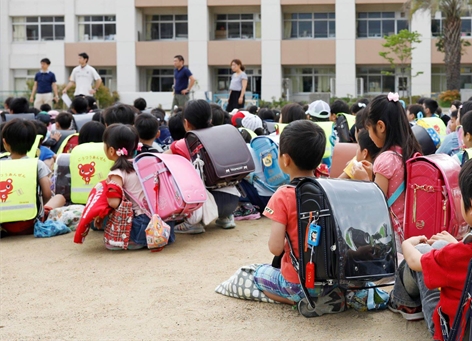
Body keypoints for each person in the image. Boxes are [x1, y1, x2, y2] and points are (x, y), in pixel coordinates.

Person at [391, 150, 472, 339]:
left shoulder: (459, 255)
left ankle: (402, 301)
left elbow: (416, 261)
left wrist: (408, 244)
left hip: (453, 332)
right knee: (441, 244)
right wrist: (453, 243)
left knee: (423, 250)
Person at [253, 120, 327, 304]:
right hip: (330, 279)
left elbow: (275, 248)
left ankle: (296, 300)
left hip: (297, 282)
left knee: (256, 274)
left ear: (285, 160)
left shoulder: (283, 195)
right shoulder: (329, 187)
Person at [352, 93, 422, 251]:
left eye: (369, 129)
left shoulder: (385, 159)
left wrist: (363, 180)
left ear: (381, 126)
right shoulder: (410, 151)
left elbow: (376, 207)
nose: (369, 135)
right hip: (413, 231)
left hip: (394, 236)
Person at [100, 124, 175, 250]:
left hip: (141, 226)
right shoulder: (144, 164)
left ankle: (136, 241)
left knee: (102, 219)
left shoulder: (117, 173)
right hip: (165, 223)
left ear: (111, 150)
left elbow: (113, 203)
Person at [169, 100, 238, 233]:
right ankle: (226, 218)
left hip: (205, 207)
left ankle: (194, 223)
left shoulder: (184, 144)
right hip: (232, 201)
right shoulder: (223, 136)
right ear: (210, 119)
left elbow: (162, 159)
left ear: (186, 123)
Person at [0, 119, 66, 235]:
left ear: (5, 142)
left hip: (3, 223)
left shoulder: (1, 163)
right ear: (33, 144)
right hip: (30, 223)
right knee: (59, 197)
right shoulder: (37, 164)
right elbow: (47, 194)